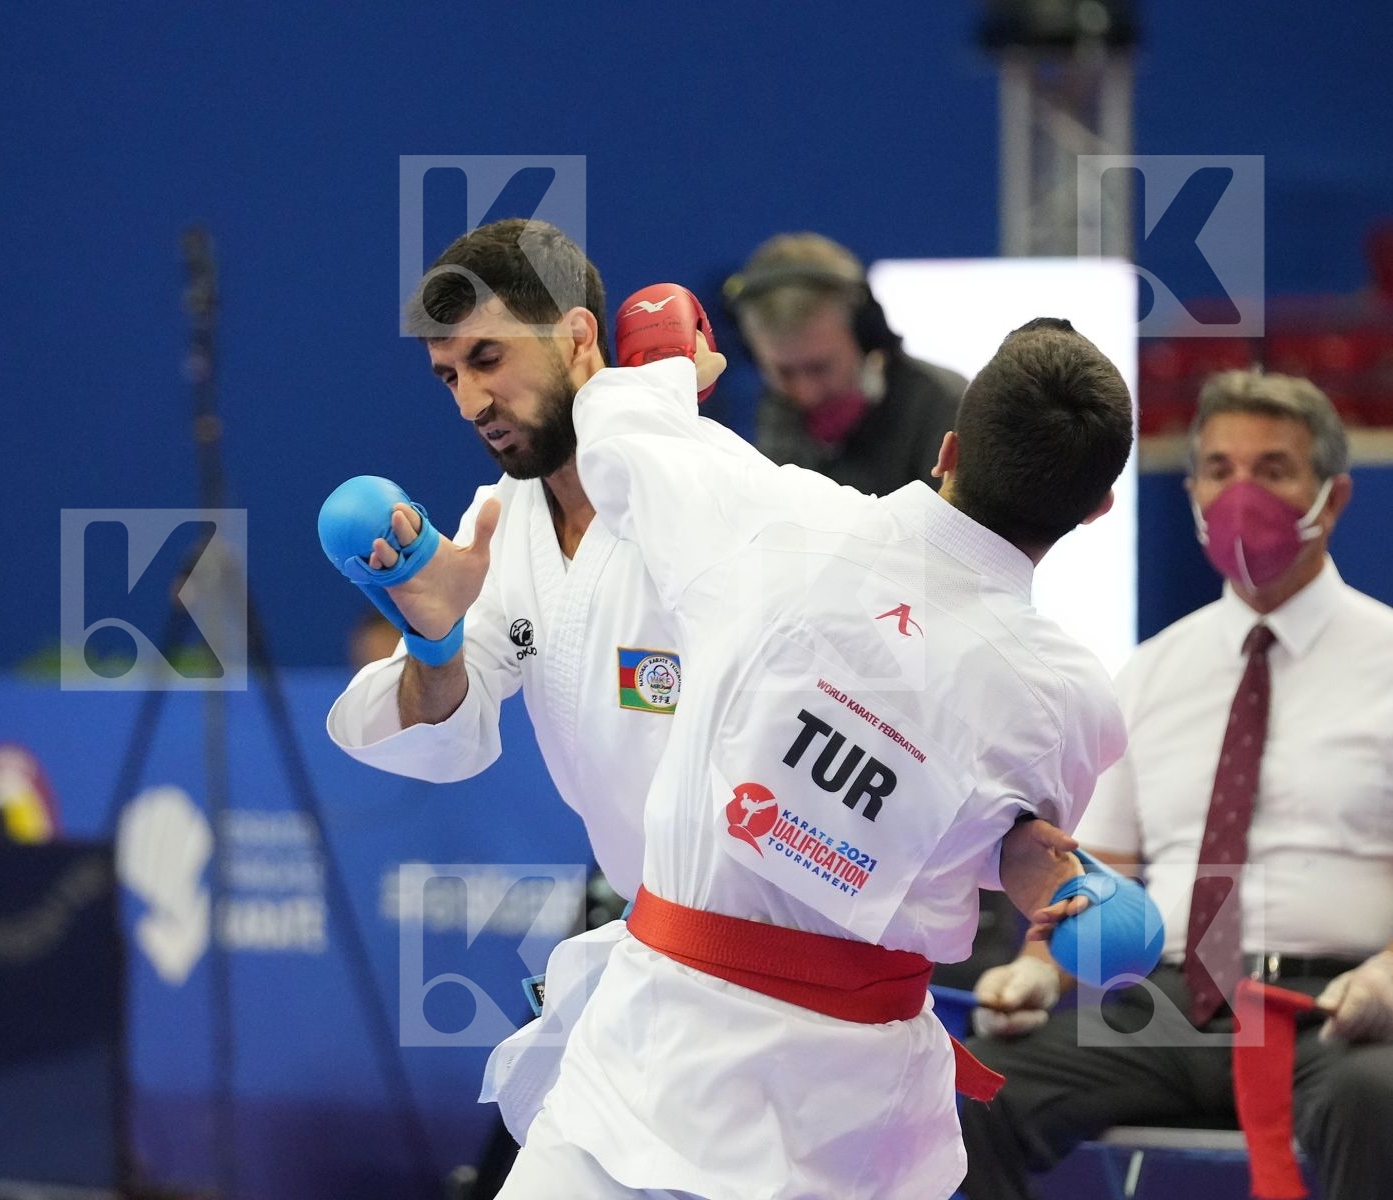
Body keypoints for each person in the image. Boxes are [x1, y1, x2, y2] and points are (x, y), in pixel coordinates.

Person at [488, 316, 1135, 1199]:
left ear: (947, 449)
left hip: (647, 1071)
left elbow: (617, 430)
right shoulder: (1072, 703)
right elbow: (997, 843)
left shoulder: (774, 520)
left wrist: (673, 364)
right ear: (1096, 511)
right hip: (850, 1131)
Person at [322, 220, 755, 1185]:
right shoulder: (499, 526)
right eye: (449, 377)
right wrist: (435, 638)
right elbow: (443, 730)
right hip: (654, 966)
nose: (473, 400)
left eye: (489, 359)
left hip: (782, 983)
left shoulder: (710, 490)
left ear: (575, 337)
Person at [960, 370, 1393, 1200]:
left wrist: (1385, 982)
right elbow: (1103, 875)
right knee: (967, 1085)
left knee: (1376, 1101)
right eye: (1220, 471)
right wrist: (1043, 968)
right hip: (1165, 1003)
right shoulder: (1151, 671)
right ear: (1190, 492)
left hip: (1333, 1010)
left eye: (1273, 470)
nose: (1241, 493)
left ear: (1331, 499)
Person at [727, 232, 963, 496]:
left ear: (865, 334)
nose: (807, 392)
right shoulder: (777, 411)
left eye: (819, 367)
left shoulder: (943, 406)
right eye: (783, 372)